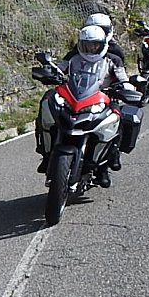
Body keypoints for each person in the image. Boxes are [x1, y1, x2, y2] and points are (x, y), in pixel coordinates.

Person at [37, 22, 135, 185]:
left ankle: (106, 165)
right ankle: (46, 153)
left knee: (118, 117)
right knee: (48, 104)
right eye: (87, 45)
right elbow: (60, 68)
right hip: (75, 96)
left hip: (103, 99)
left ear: (102, 44)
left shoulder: (113, 59)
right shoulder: (74, 56)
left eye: (95, 45)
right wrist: (50, 71)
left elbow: (122, 78)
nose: (91, 48)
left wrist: (126, 87)